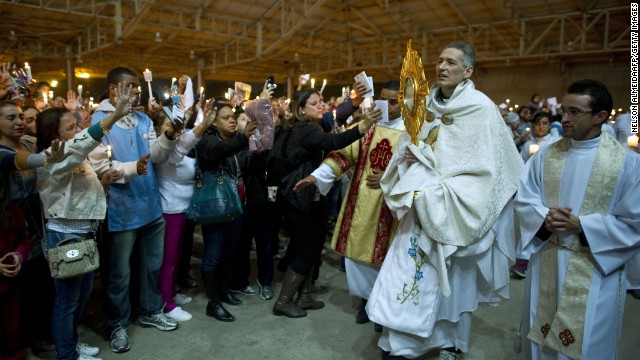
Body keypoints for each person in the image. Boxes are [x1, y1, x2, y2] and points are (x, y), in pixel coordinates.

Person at [365, 42, 523, 359]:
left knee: (451, 287)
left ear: (468, 71)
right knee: (408, 277)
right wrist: (410, 161)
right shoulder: (425, 107)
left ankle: (448, 344)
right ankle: (400, 342)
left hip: (456, 209)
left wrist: (439, 186)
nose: (442, 66)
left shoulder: (481, 108)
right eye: (439, 61)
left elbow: (495, 170)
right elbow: (408, 148)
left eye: (451, 62)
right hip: (420, 209)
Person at [516, 79, 640, 359]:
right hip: (547, 256)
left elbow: (635, 223)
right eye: (563, 110)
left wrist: (582, 225)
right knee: (541, 337)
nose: (564, 118)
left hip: (595, 268)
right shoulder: (546, 156)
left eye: (575, 112)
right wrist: (543, 217)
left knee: (585, 347)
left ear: (600, 117)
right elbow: (525, 199)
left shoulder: (626, 164)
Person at [295, 80, 405, 328]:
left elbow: (423, 169)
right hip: (361, 203)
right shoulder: (367, 127)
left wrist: (391, 178)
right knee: (357, 259)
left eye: (393, 101)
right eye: (382, 100)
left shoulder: (412, 132)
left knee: (390, 261)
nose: (386, 106)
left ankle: (384, 307)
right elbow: (342, 155)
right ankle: (368, 301)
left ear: (405, 101)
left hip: (394, 208)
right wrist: (317, 175)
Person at [36, 83, 131, 360]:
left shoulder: (72, 156)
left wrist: (102, 182)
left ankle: (71, 344)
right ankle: (66, 354)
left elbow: (77, 191)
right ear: (53, 136)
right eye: (70, 128)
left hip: (83, 234)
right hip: (65, 236)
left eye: (77, 126)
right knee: (66, 302)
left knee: (81, 296)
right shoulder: (51, 158)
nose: (77, 132)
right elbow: (81, 144)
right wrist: (112, 118)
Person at [88, 67, 178, 354]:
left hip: (150, 203)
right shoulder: (99, 121)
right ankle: (117, 324)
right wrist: (132, 168)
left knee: (152, 264)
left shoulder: (142, 118)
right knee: (119, 274)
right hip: (121, 208)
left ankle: (151, 311)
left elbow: (157, 156)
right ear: (114, 90)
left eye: (139, 87)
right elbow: (100, 167)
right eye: (131, 86)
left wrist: (169, 136)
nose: (138, 92)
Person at [272, 87, 382, 318]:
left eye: (321, 101)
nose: (320, 105)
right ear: (301, 109)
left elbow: (335, 115)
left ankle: (303, 296)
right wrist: (363, 126)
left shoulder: (308, 125)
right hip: (298, 199)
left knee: (311, 248)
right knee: (306, 251)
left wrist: (355, 101)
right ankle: (283, 301)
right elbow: (334, 140)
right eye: (314, 103)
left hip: (309, 198)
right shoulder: (303, 130)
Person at [152, 98, 217, 322]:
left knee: (176, 258)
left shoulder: (179, 145)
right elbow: (180, 150)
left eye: (176, 126)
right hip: (169, 210)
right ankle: (166, 304)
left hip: (183, 210)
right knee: (168, 260)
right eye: (167, 127)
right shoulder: (163, 150)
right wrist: (200, 126)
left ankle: (169, 293)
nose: (174, 131)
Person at [196, 102, 256, 322]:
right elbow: (217, 152)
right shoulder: (207, 140)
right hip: (216, 207)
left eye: (233, 116)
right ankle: (214, 303)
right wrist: (243, 137)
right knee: (213, 255)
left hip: (235, 205)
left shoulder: (231, 140)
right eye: (226, 117)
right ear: (213, 121)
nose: (232, 120)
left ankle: (223, 291)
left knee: (229, 252)